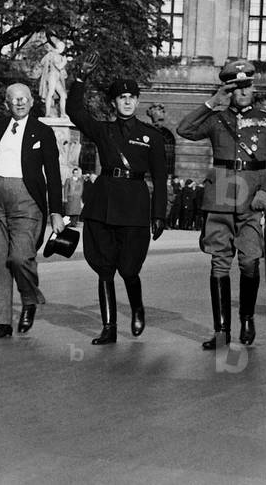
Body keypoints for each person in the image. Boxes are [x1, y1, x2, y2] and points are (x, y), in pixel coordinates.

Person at [177, 59, 266, 350]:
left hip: (253, 196)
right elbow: (184, 129)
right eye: (237, 86)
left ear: (254, 87)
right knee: (219, 262)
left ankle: (247, 318)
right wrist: (212, 102)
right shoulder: (216, 118)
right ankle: (221, 331)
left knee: (249, 260)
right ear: (229, 88)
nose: (243, 91)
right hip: (220, 197)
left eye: (247, 85)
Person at [66, 56, 167, 345]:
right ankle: (109, 327)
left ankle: (137, 307)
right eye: (121, 97)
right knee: (104, 267)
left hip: (134, 205)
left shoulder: (151, 137)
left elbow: (160, 179)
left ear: (137, 101)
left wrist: (159, 215)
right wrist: (81, 80)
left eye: (131, 97)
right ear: (114, 102)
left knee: (129, 269)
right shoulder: (104, 130)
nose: (127, 102)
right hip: (104, 203)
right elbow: (74, 111)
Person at [0, 79, 65, 338]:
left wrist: (56, 212)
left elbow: (52, 174)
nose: (19, 101)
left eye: (24, 97)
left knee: (19, 257)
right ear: (7, 103)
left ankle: (29, 299)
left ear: (31, 101)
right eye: (13, 98)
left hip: (27, 200)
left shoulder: (43, 132)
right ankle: (3, 323)